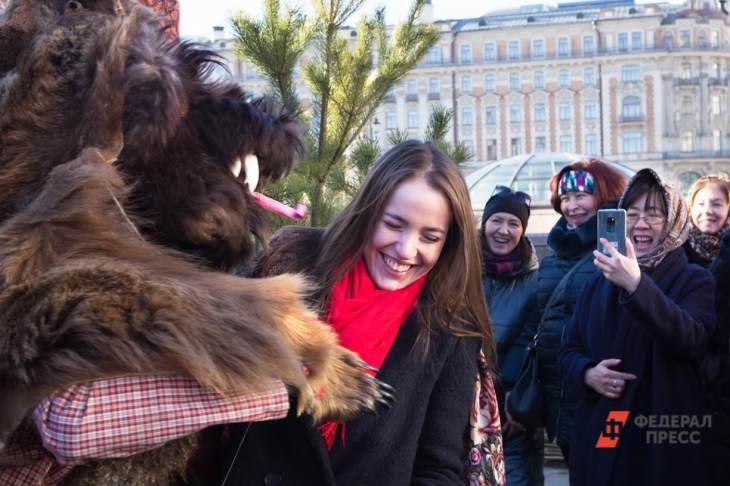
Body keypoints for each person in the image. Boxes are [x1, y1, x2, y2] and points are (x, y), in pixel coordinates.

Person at [202, 140, 496, 485]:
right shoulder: (290, 258)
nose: (406, 250)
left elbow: (438, 467)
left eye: (429, 237)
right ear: (368, 211)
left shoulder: (450, 327)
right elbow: (207, 335)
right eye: (394, 224)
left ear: (448, 242)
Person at [559, 168, 716, 486]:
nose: (640, 224)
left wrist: (636, 285)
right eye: (631, 214)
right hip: (610, 424)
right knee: (603, 472)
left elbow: (691, 339)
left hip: (665, 431)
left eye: (654, 214)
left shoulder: (696, 279)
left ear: (673, 220)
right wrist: (588, 373)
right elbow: (568, 349)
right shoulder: (596, 282)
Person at [535, 160, 627, 461]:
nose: (572, 206)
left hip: (606, 396)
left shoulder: (616, 253)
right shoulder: (552, 256)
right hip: (559, 398)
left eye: (580, 196)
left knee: (608, 467)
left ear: (602, 196)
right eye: (565, 198)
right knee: (579, 469)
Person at [479, 186, 543, 486]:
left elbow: (535, 344)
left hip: (512, 411)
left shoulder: (535, 279)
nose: (503, 230)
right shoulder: (460, 269)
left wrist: (518, 404)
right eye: (497, 220)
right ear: (485, 223)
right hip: (462, 404)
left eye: (513, 223)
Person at [684, 174, 730, 267]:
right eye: (701, 204)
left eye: (716, 204)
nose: (707, 211)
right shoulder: (675, 250)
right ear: (690, 209)